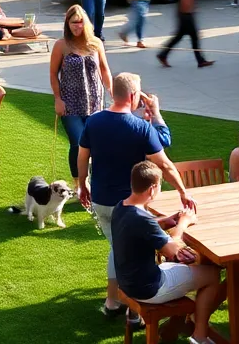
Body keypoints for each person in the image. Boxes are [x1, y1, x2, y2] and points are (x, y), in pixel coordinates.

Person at [79, 72, 197, 326]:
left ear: (113, 93)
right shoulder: (141, 128)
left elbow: (82, 155)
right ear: (133, 96)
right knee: (122, 251)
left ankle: (116, 303)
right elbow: (164, 164)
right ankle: (124, 307)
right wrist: (182, 191)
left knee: (118, 248)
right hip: (127, 205)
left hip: (100, 199)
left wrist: (81, 185)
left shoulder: (94, 121)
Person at [112, 161, 223, 344]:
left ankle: (176, 327)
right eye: (160, 186)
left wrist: (165, 221)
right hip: (150, 289)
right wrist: (184, 222)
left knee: (191, 268)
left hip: (128, 283)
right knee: (212, 275)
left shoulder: (121, 207)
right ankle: (200, 336)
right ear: (152, 189)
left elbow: (143, 227)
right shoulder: (143, 220)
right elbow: (174, 249)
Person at [50, 4, 113, 192]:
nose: (77, 26)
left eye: (80, 22)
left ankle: (95, 181)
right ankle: (79, 183)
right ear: (67, 24)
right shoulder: (61, 45)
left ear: (86, 23)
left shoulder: (96, 43)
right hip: (70, 104)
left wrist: (112, 92)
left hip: (94, 103)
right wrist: (58, 98)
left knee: (96, 144)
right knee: (78, 144)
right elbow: (53, 74)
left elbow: (104, 69)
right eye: (73, 22)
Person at [157, 0, 214, 68]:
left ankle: (163, 55)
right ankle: (200, 61)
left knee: (180, 36)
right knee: (193, 36)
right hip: (185, 12)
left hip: (187, 11)